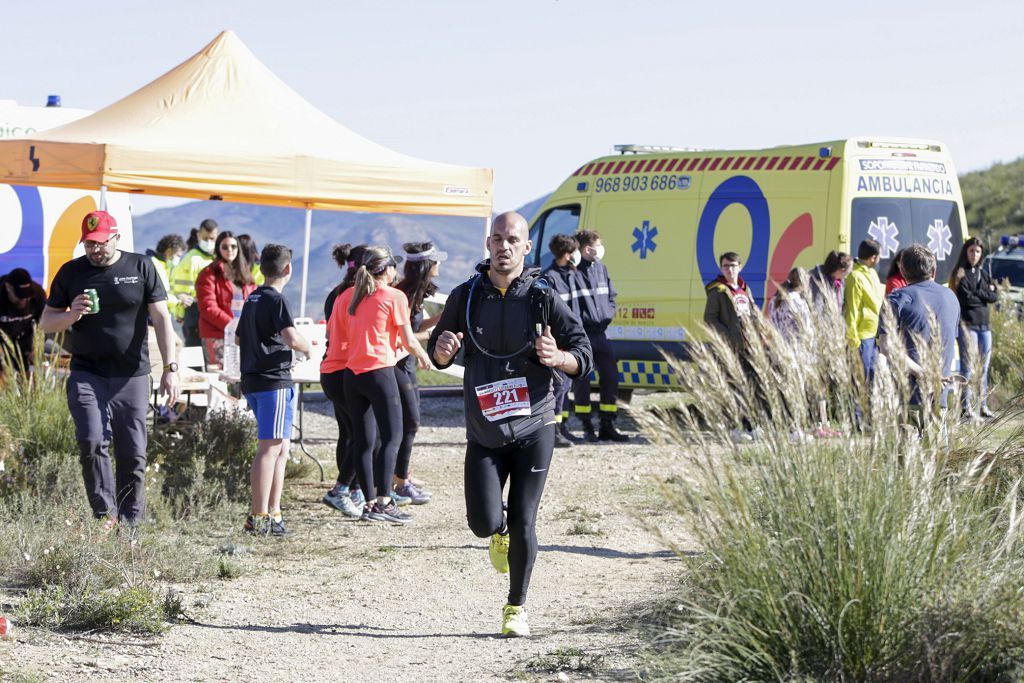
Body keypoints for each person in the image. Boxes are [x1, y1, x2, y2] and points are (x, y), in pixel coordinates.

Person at [428, 211, 593, 638]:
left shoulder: (543, 297)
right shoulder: (466, 297)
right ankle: (496, 532)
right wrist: (442, 350)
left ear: (524, 248)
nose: (504, 246)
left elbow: (582, 351)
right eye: (497, 238)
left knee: (524, 517)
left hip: (534, 426)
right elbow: (438, 351)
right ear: (488, 245)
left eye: (512, 239)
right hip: (484, 431)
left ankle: (516, 606)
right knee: (483, 522)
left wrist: (560, 359)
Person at [40, 210, 179, 529]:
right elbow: (47, 322)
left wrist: (170, 368)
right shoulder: (71, 272)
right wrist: (71, 315)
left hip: (131, 374)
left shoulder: (141, 266)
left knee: (133, 451)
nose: (95, 249)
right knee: (91, 440)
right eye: (89, 244)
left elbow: (161, 318)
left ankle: (131, 521)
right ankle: (105, 515)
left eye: (101, 242)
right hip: (87, 373)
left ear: (116, 237)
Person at [335, 247, 430, 524]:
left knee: (364, 442)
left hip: (352, 375)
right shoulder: (394, 296)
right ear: (386, 269)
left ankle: (369, 504)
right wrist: (423, 356)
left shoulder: (353, 297)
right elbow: (409, 339)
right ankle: (385, 502)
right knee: (392, 438)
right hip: (379, 372)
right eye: (393, 266)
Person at [237, 244, 313, 536]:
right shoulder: (276, 299)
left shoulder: (252, 297)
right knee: (269, 448)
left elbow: (241, 337)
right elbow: (292, 337)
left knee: (280, 448)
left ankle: (273, 512)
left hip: (254, 379)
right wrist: (307, 349)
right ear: (288, 269)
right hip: (273, 382)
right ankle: (258, 516)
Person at [392, 241, 448, 504]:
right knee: (409, 422)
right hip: (398, 365)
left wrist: (440, 318)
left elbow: (415, 325)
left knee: (408, 422)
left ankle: (401, 474)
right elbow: (402, 336)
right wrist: (428, 335)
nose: (440, 265)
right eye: (436, 260)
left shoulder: (413, 293)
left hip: (407, 364)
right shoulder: (402, 293)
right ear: (427, 265)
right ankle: (399, 482)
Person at [320, 244, 372, 518]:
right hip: (345, 370)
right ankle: (344, 489)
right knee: (365, 435)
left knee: (350, 433)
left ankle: (351, 489)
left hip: (331, 369)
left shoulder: (336, 293)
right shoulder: (357, 295)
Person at [878, 244, 960, 406]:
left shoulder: (896, 299)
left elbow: (886, 347)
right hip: (940, 392)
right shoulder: (951, 297)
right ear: (934, 271)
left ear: (902, 271)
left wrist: (921, 373)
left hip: (908, 396)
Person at [571, 229, 628, 442]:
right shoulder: (574, 272)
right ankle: (586, 425)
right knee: (583, 381)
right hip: (583, 336)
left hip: (602, 334)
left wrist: (609, 313)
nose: (600, 249)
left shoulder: (601, 269)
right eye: (597, 244)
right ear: (587, 248)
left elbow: (611, 296)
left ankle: (607, 424)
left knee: (611, 376)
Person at [703, 251, 759, 442]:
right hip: (730, 348)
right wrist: (728, 337)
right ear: (721, 268)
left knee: (750, 387)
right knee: (733, 387)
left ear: (740, 267)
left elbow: (753, 314)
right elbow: (710, 319)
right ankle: (734, 427)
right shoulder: (717, 291)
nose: (729, 269)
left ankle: (751, 425)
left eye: (733, 266)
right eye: (726, 266)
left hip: (749, 346)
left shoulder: (744, 289)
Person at [542, 234, 584, 447]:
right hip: (558, 343)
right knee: (558, 388)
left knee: (566, 388)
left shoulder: (572, 275)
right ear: (567, 254)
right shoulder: (550, 278)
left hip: (572, 343)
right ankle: (553, 431)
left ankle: (562, 427)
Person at [949, 237, 997, 418]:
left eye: (977, 251)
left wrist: (979, 292)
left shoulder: (983, 273)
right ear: (966, 252)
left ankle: (982, 405)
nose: (974, 255)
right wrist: (984, 293)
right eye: (971, 251)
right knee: (968, 367)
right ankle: (965, 406)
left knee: (983, 368)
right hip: (968, 326)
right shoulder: (960, 273)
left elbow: (994, 296)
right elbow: (965, 297)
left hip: (985, 327)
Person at [195, 231, 257, 366]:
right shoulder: (208, 274)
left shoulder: (246, 272)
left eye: (233, 246)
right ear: (218, 248)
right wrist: (233, 326)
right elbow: (208, 307)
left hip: (243, 335)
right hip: (216, 335)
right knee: (221, 380)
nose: (230, 250)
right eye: (225, 247)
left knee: (241, 377)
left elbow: (254, 301)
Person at [170, 219, 218, 346]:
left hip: (215, 312)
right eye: (205, 238)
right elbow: (178, 289)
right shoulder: (191, 259)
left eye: (212, 239)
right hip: (194, 313)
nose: (209, 242)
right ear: (198, 235)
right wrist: (180, 314)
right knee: (196, 356)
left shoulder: (218, 257)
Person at [844, 239, 883, 381]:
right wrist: (854, 341)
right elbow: (851, 310)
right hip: (861, 338)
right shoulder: (854, 277)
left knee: (872, 380)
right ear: (873, 257)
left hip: (874, 336)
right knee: (861, 382)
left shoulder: (872, 274)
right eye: (879, 256)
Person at [0, 267, 47, 371]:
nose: (24, 300)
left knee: (25, 374)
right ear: (8, 287)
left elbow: (44, 323)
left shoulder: (38, 293)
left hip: (25, 340)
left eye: (27, 296)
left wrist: (36, 348)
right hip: (2, 341)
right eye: (20, 296)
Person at [807, 250, 851, 316]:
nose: (849, 274)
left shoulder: (840, 282)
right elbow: (817, 309)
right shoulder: (817, 281)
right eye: (848, 271)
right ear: (841, 270)